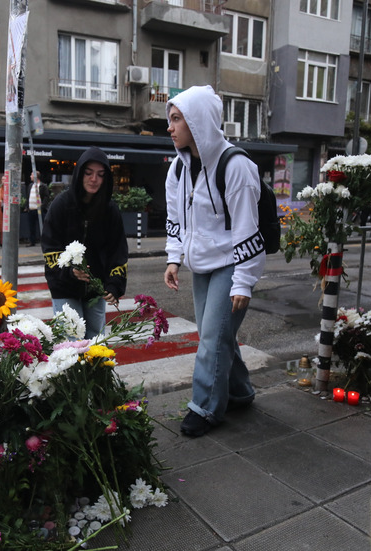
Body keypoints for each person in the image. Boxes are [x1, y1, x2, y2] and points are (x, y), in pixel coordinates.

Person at [162, 85, 265, 438]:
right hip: (201, 265)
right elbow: (176, 219)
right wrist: (174, 258)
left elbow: (247, 229)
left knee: (211, 338)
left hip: (231, 264)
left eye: (176, 119)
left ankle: (204, 407)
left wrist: (243, 281)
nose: (170, 127)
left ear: (197, 120)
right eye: (170, 119)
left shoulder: (235, 166)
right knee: (218, 335)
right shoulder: (177, 169)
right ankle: (239, 391)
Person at [41, 147, 128, 339]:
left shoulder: (110, 210)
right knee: (71, 341)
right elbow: (50, 248)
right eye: (88, 173)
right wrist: (70, 272)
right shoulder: (61, 205)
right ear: (79, 173)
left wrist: (114, 284)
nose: (94, 179)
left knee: (96, 342)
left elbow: (118, 250)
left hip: (95, 290)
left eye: (100, 174)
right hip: (63, 286)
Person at [23, 171, 50, 247]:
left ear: (35, 176)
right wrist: (27, 207)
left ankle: (44, 241)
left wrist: (42, 206)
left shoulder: (42, 186)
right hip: (31, 209)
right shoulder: (30, 186)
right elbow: (28, 197)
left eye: (31, 175)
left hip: (39, 210)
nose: (30, 176)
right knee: (31, 227)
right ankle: (32, 241)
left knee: (42, 226)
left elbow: (46, 197)